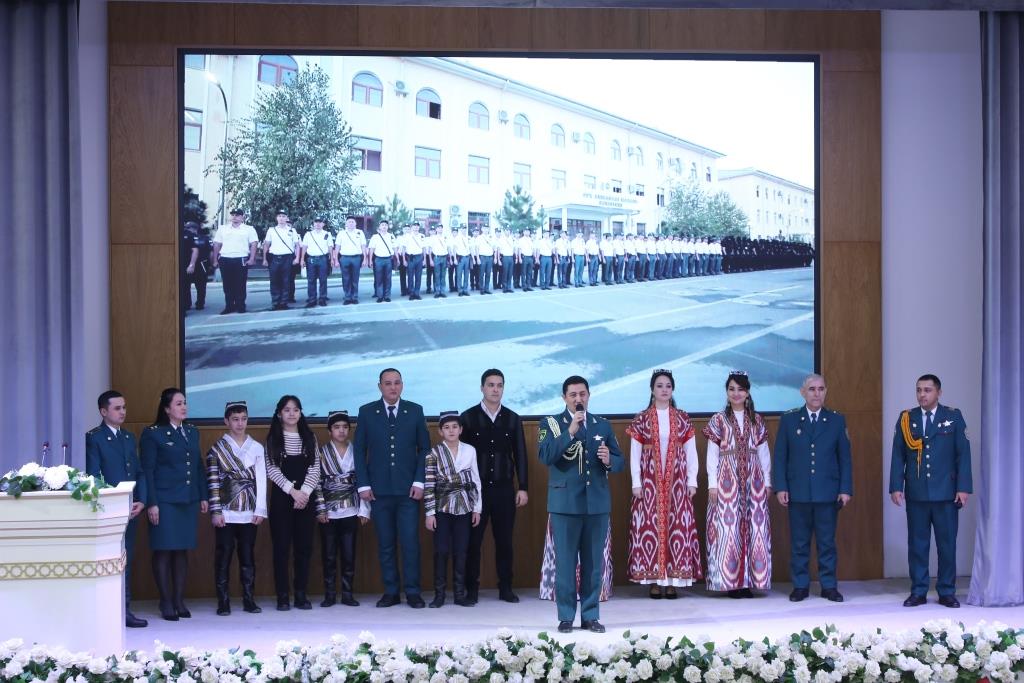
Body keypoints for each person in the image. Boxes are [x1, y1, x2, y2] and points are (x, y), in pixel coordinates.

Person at [538, 375, 624, 633]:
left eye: (582, 394)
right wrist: (571, 431)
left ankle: (590, 615)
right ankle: (565, 616)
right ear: (564, 397)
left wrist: (610, 459)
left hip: (596, 504)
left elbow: (619, 462)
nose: (578, 399)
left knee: (593, 564)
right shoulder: (551, 423)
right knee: (564, 564)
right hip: (564, 504)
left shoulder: (602, 425)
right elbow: (546, 456)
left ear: (588, 395)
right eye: (573, 395)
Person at [889, 374, 971, 608]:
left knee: (946, 545)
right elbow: (898, 455)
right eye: (918, 390)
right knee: (918, 544)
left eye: (927, 390)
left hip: (946, 493)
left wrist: (963, 488)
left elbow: (962, 455)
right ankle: (919, 590)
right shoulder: (907, 419)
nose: (922, 395)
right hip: (917, 493)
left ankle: (946, 591)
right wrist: (896, 486)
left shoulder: (952, 417)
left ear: (938, 393)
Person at [353, 368, 431, 608]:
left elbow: (425, 450)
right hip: (378, 491)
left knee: (410, 543)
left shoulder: (415, 411)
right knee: (385, 544)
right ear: (380, 387)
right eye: (388, 383)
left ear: (402, 385)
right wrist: (363, 485)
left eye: (397, 383)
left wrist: (419, 481)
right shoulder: (367, 412)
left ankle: (413, 592)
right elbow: (359, 450)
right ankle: (391, 591)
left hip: (408, 491)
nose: (393, 387)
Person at [774, 374, 852, 603]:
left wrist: (845, 489)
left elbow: (845, 459)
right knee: (799, 543)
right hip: (798, 493)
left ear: (826, 391)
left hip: (827, 493)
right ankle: (800, 586)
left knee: (827, 543)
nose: (816, 393)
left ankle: (829, 586)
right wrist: (781, 487)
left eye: (821, 389)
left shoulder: (836, 421)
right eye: (812, 389)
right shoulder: (789, 420)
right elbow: (781, 457)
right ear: (802, 392)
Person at [626, 370, 701, 599]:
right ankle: (655, 581)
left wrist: (692, 480)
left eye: (668, 385)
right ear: (652, 389)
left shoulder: (682, 417)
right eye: (659, 385)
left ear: (673, 389)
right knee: (650, 528)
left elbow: (691, 451)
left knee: (676, 528)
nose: (664, 389)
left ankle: (673, 581)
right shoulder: (642, 418)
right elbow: (634, 452)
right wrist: (636, 482)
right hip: (650, 482)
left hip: (677, 482)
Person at [460, 369, 528, 604]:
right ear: (482, 388)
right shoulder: (467, 418)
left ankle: (506, 588)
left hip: (504, 490)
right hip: (474, 492)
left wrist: (523, 487)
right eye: (490, 385)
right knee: (473, 542)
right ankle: (471, 591)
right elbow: (460, 457)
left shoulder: (512, 418)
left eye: (499, 385)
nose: (495, 389)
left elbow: (520, 454)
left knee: (505, 542)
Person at [140, 387, 208, 621]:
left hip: (187, 499)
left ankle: (179, 600)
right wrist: (152, 503)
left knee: (181, 551)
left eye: (185, 402)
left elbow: (198, 466)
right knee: (163, 550)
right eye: (178, 403)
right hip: (164, 500)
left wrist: (202, 495)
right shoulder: (153, 433)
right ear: (167, 408)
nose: (184, 407)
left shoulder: (191, 431)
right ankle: (165, 601)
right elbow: (147, 470)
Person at [703, 371, 772, 598]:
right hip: (726, 482)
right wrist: (712, 484)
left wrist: (768, 482)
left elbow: (764, 454)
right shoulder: (718, 420)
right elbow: (712, 455)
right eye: (732, 389)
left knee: (755, 531)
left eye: (740, 389)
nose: (736, 393)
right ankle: (731, 583)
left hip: (754, 482)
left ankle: (748, 582)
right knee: (728, 532)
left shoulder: (757, 420)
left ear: (748, 392)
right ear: (727, 392)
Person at [85, 390, 148, 628]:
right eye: (117, 408)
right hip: (108, 511)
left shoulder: (129, 437)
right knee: (107, 560)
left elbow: (139, 472)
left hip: (130, 509)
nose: (123, 412)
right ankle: (107, 611)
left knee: (126, 559)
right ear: (103, 411)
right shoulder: (94, 438)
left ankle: (125, 609)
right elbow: (93, 475)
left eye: (124, 407)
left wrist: (141, 499)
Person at [205, 400, 266, 615]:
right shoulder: (216, 449)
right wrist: (216, 511)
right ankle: (223, 601)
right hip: (226, 512)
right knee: (223, 555)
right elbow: (213, 481)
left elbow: (261, 480)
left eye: (244, 419)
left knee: (247, 555)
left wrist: (260, 510)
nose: (240, 424)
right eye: (235, 419)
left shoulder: (257, 447)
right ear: (226, 421)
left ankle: (249, 599)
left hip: (249, 512)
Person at [265, 395, 321, 611]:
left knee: (304, 548)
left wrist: (304, 493)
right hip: (282, 499)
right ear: (279, 413)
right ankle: (282, 596)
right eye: (287, 410)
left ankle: (300, 594)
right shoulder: (273, 439)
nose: (291, 414)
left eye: (296, 410)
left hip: (306, 500)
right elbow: (272, 470)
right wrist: (292, 492)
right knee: (281, 548)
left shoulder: (309, 437)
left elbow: (315, 468)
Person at [424, 412, 482, 608]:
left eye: (455, 427)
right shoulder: (433, 454)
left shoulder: (470, 451)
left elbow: (475, 480)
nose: (451, 430)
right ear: (440, 431)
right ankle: (439, 595)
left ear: (461, 430)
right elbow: (429, 484)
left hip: (465, 506)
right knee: (441, 551)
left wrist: (477, 508)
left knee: (461, 551)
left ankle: (459, 594)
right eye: (447, 427)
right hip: (442, 507)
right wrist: (429, 513)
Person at [315, 410, 370, 607]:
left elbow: (362, 482)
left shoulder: (356, 451)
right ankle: (330, 594)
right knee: (329, 555)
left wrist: (364, 509)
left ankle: (347, 593)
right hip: (328, 511)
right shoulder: (321, 453)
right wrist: (320, 509)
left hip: (351, 509)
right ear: (329, 430)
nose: (341, 431)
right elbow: (317, 482)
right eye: (337, 427)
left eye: (345, 427)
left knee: (349, 554)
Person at [211, 208, 258, 314]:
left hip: (241, 258)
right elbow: (217, 244)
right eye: (233, 215)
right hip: (225, 258)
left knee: (240, 283)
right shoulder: (223, 229)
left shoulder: (249, 229)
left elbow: (254, 244)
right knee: (227, 284)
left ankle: (241, 305)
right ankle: (229, 306)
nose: (234, 217)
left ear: (242, 217)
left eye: (237, 215)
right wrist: (215, 259)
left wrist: (251, 259)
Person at [262, 210, 300, 311]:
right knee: (274, 281)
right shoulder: (271, 230)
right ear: (276, 218)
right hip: (274, 257)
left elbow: (297, 246)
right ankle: (275, 302)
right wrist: (265, 259)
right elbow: (266, 245)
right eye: (279, 216)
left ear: (287, 218)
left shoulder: (292, 231)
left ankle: (284, 302)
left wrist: (297, 258)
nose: (281, 218)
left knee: (286, 281)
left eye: (283, 216)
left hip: (287, 258)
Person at [301, 216, 334, 308]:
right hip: (311, 259)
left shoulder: (327, 234)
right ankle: (312, 300)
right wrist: (302, 259)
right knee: (311, 280)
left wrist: (331, 259)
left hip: (323, 259)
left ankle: (322, 299)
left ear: (323, 224)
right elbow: (304, 247)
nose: (318, 224)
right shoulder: (308, 234)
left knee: (323, 280)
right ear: (313, 224)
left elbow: (330, 247)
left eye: (320, 222)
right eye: (316, 222)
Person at [333, 216, 366, 305]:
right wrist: (336, 259)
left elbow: (363, 246)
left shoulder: (360, 232)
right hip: (344, 258)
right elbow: (337, 247)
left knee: (355, 278)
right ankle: (347, 297)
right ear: (346, 224)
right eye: (349, 222)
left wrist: (364, 259)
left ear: (355, 223)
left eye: (352, 222)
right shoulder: (341, 233)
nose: (351, 223)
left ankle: (355, 297)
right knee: (346, 278)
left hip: (356, 258)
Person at [183, 221, 211, 311]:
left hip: (201, 264)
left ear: (195, 229)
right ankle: (187, 303)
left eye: (190, 228)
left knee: (201, 285)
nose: (188, 230)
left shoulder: (204, 238)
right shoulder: (185, 238)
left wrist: (210, 263)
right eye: (187, 228)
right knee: (186, 285)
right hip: (188, 264)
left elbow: (210, 251)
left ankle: (200, 303)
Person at [367, 220, 397, 303]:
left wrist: (397, 258)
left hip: (388, 259)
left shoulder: (391, 236)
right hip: (378, 259)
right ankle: (380, 296)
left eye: (386, 225)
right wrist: (370, 260)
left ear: (388, 227)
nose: (384, 226)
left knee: (388, 278)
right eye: (382, 225)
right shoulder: (375, 237)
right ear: (379, 227)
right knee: (378, 278)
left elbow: (395, 248)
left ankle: (387, 296)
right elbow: (371, 249)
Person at [402, 223, 426, 300]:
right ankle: (411, 293)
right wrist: (404, 259)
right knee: (410, 276)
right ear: (411, 227)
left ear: (419, 227)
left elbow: (424, 248)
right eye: (414, 226)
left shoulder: (422, 236)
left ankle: (417, 293)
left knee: (418, 276)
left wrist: (424, 259)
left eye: (417, 226)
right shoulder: (407, 236)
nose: (416, 227)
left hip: (419, 257)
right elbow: (403, 248)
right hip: (410, 258)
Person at [428, 225, 450, 298]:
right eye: (438, 228)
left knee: (443, 275)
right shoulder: (433, 238)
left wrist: (449, 258)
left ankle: (442, 291)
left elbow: (448, 248)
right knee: (437, 275)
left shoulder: (445, 238)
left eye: (441, 228)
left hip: (444, 257)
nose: (440, 229)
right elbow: (430, 249)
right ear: (436, 229)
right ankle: (437, 291)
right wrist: (431, 259)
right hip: (436, 258)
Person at [453, 226, 473, 296]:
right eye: (462, 228)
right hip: (460, 258)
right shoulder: (457, 238)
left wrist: (472, 258)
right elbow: (454, 249)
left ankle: (465, 289)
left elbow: (471, 248)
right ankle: (459, 290)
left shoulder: (468, 238)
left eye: (465, 228)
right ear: (460, 229)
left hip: (467, 257)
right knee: (459, 274)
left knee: (466, 275)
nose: (464, 230)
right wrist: (455, 258)